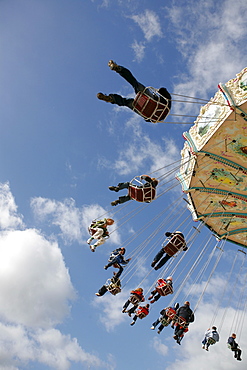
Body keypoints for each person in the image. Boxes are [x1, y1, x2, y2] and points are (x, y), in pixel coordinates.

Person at [97, 60, 172, 122]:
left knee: (135, 84)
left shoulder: (166, 103)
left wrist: (160, 91)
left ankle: (119, 69)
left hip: (151, 104)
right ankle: (112, 98)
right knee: (128, 101)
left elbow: (165, 93)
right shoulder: (164, 108)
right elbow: (148, 120)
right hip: (147, 113)